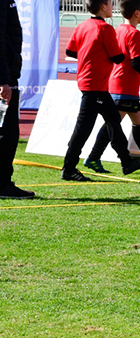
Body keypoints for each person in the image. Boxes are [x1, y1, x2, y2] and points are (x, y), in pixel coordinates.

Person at [84, 0, 140, 174]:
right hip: (125, 86)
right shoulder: (135, 34)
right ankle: (93, 157)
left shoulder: (117, 30)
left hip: (118, 83)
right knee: (113, 124)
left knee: (138, 121)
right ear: (137, 13)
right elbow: (136, 62)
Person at [63, 0, 140, 182]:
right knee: (83, 129)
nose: (112, 7)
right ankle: (68, 168)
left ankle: (126, 162)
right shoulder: (105, 29)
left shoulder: (82, 26)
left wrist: (90, 55)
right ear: (102, 7)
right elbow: (117, 57)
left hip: (95, 85)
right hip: (94, 86)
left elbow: (70, 51)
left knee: (114, 121)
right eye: (109, 4)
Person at [0, 0, 34, 199]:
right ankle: (3, 184)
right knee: (8, 132)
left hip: (7, 74)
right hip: (5, 78)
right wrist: (3, 79)